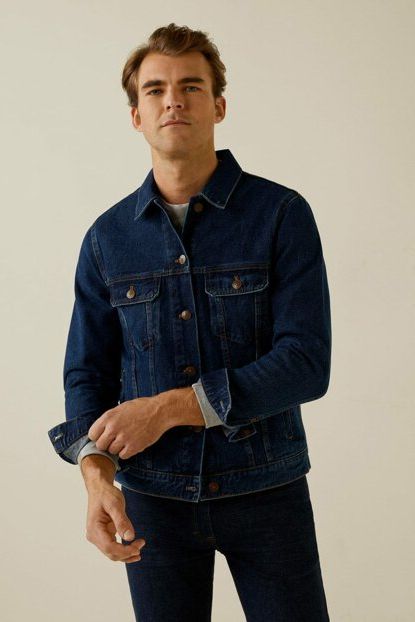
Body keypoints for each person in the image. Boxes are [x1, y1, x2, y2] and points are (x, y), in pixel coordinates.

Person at [48, 22, 332, 622]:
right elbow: (87, 374)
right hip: (153, 502)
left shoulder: (281, 214)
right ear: (137, 116)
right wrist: (96, 477)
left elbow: (306, 363)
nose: (172, 100)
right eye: (155, 90)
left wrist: (167, 409)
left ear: (219, 106)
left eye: (191, 86)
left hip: (267, 491)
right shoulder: (106, 238)